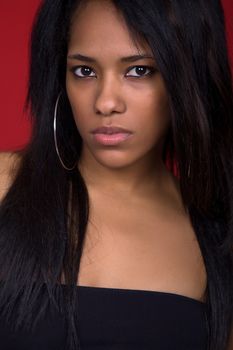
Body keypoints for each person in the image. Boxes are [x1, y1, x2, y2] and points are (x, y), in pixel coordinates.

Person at [0, 0, 232, 349]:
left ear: (187, 76)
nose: (106, 102)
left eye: (139, 70)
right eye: (84, 71)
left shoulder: (218, 240)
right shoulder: (5, 185)